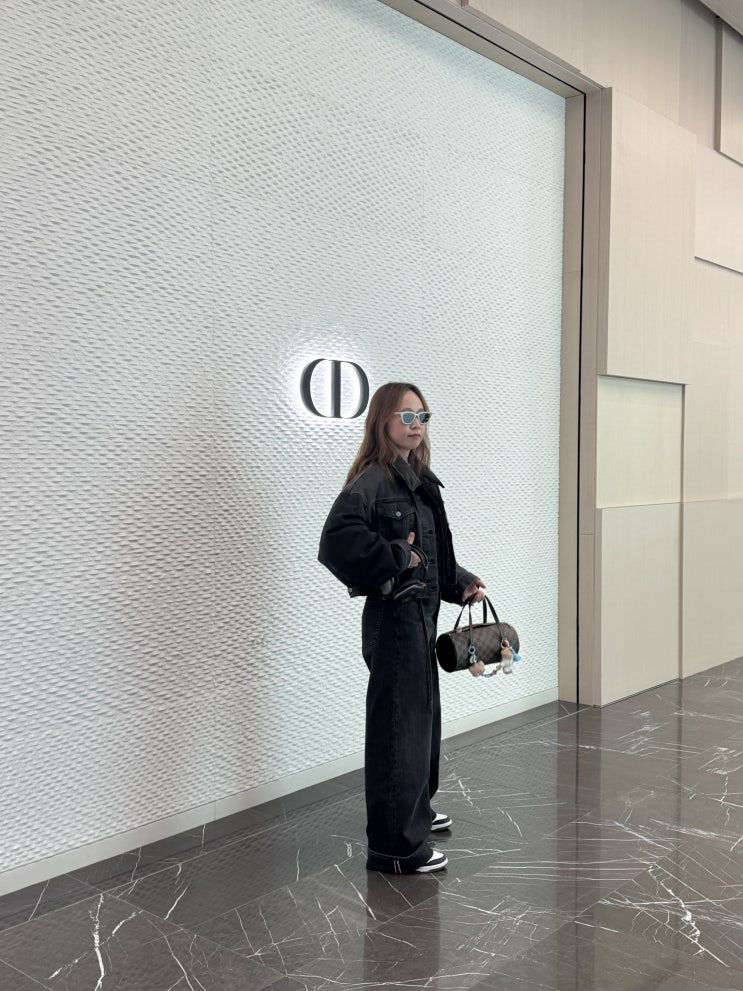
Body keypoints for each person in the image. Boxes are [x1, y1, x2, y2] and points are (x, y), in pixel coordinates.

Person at [318, 382, 486, 874]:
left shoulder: (418, 479)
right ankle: (394, 848)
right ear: (383, 421)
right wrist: (395, 555)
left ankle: (415, 814)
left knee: (421, 724)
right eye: (406, 415)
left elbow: (429, 555)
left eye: (422, 416)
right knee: (398, 728)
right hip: (394, 620)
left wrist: (460, 582)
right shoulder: (372, 480)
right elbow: (336, 543)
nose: (416, 425)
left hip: (420, 618)